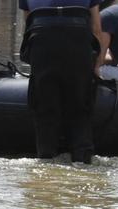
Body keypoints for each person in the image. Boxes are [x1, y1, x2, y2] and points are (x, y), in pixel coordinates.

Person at [19, 0, 105, 164]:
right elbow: (96, 29)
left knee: (44, 109)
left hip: (43, 47)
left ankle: (45, 158)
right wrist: (96, 65)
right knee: (80, 109)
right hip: (78, 46)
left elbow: (29, 25)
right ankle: (81, 159)